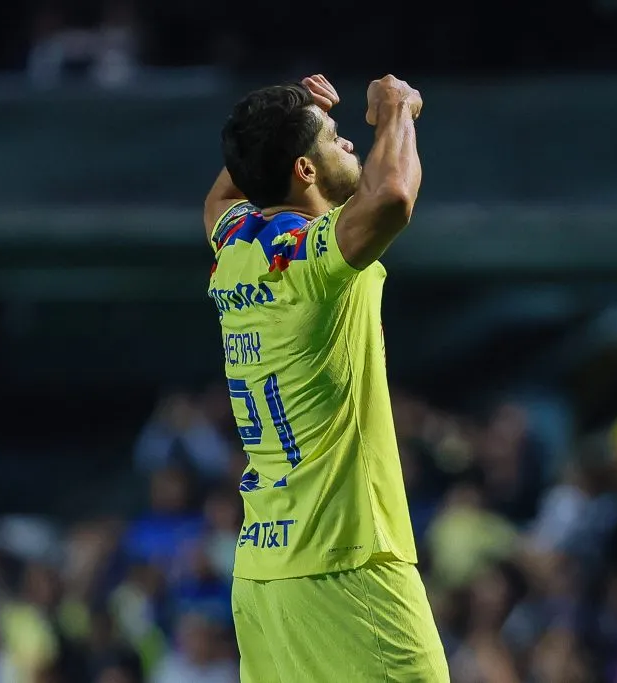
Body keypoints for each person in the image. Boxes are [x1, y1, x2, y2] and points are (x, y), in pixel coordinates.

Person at [202, 74, 448, 681]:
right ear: (304, 170)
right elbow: (392, 194)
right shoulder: (316, 260)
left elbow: (231, 186)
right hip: (347, 561)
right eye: (337, 140)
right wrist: (397, 110)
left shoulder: (235, 246)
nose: (350, 147)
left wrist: (293, 115)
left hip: (263, 575)